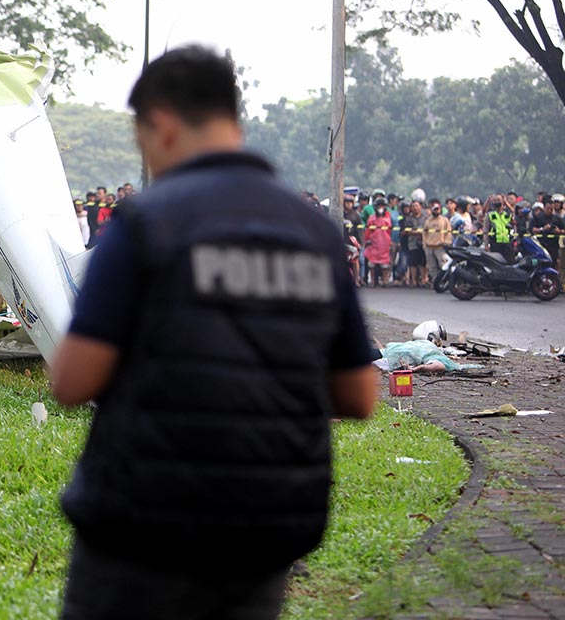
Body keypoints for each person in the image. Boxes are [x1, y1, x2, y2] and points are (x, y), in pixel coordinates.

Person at [50, 45, 377, 620]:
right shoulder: (315, 234)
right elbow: (358, 395)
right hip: (268, 525)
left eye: (142, 140)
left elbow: (73, 381)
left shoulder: (145, 224)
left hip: (143, 521)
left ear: (164, 124)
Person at [364, 195, 393, 286]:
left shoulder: (388, 217)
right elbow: (368, 231)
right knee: (371, 264)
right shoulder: (372, 218)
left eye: (382, 206)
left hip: (384, 244)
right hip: (374, 243)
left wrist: (390, 241)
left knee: (385, 265)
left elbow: (390, 231)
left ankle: (385, 281)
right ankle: (373, 281)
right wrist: (367, 240)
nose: (381, 208)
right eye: (379, 206)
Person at [423, 199, 452, 283]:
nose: (436, 211)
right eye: (434, 209)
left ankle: (446, 282)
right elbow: (424, 233)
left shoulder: (444, 220)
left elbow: (448, 232)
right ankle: (436, 282)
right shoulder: (428, 221)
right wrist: (424, 244)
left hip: (440, 247)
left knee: (443, 265)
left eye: (438, 209)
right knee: (432, 267)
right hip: (429, 246)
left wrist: (446, 242)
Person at [482, 195, 516, 263]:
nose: (497, 202)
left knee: (510, 263)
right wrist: (486, 245)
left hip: (508, 243)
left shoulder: (508, 214)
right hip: (495, 244)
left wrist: (506, 202)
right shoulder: (490, 215)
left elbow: (514, 213)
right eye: (495, 200)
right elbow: (485, 231)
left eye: (498, 200)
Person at [402, 200, 427, 286]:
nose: (415, 208)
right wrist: (416, 232)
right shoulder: (409, 218)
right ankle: (413, 281)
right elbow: (406, 230)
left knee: (423, 262)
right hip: (412, 242)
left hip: (424, 242)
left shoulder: (426, 217)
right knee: (413, 263)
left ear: (420, 207)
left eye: (416, 206)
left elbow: (427, 229)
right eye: (413, 206)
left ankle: (423, 280)